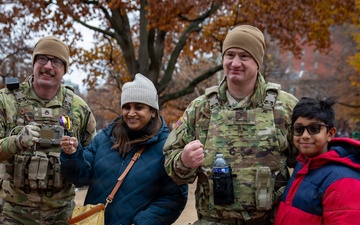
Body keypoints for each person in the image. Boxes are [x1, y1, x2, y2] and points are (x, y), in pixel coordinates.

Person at [163, 24, 299, 225]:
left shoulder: (285, 107)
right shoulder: (200, 109)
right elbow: (171, 166)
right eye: (230, 55)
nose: (235, 63)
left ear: (258, 62)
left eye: (244, 56)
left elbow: (308, 163)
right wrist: (184, 161)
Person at [60, 73, 188, 225]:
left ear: (153, 111)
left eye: (139, 107)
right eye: (127, 107)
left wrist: (142, 222)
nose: (131, 113)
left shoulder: (167, 147)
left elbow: (174, 198)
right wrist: (72, 155)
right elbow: (80, 177)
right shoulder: (105, 138)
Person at [0, 36, 97, 224]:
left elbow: (91, 165)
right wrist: (15, 142)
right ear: (34, 63)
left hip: (61, 217)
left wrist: (76, 154)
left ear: (64, 69)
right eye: (42, 59)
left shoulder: (79, 109)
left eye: (56, 61)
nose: (48, 67)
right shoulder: (6, 101)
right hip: (12, 215)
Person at [274, 97, 360, 225]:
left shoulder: (342, 180)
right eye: (299, 129)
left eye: (314, 129)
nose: (305, 135)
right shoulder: (303, 165)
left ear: (330, 134)